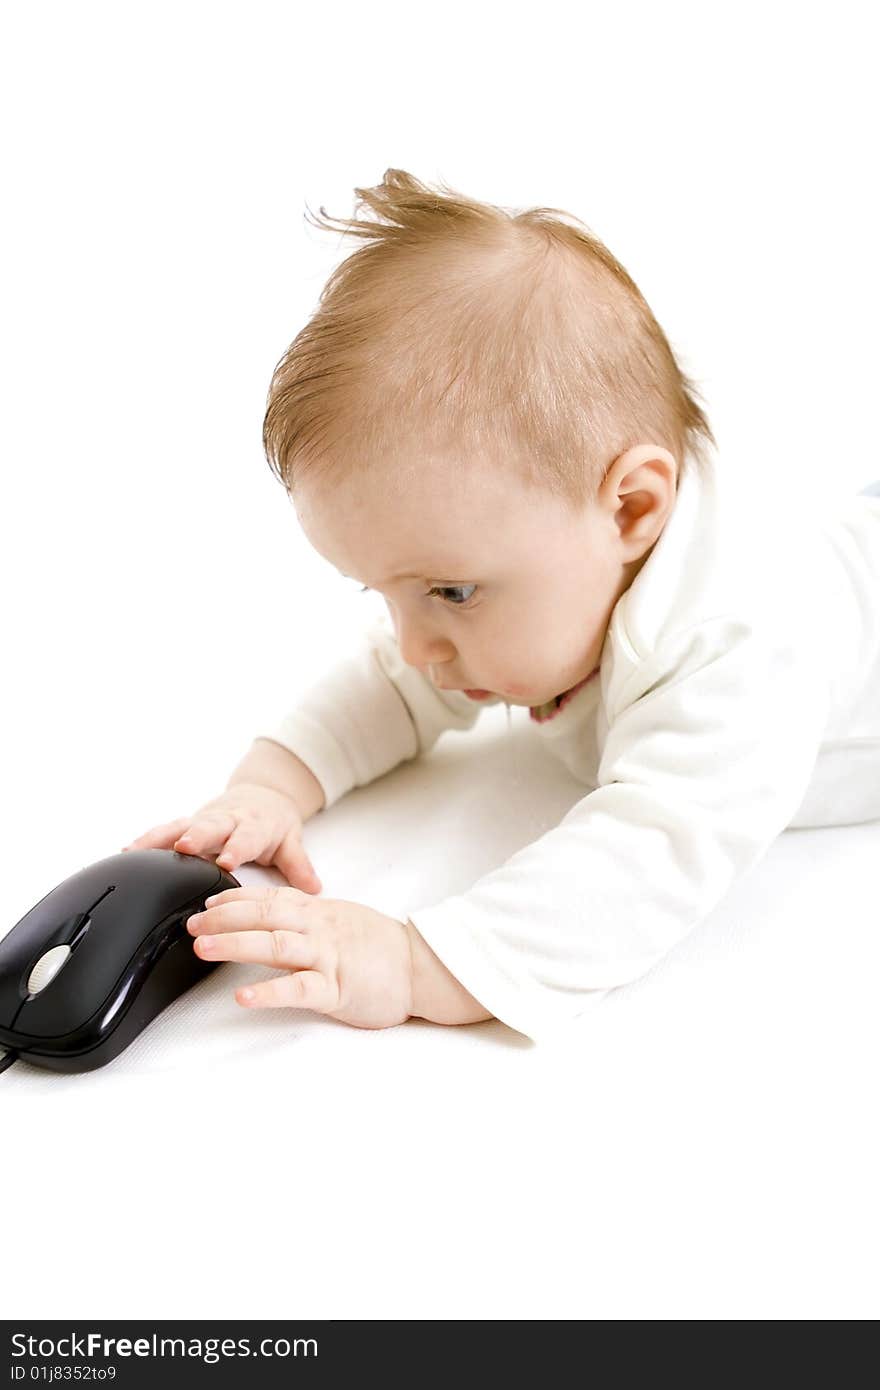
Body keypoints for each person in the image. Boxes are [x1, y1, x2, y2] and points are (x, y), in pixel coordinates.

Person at [123, 169, 880, 1042]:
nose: (416, 648)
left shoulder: (734, 645)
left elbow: (653, 851)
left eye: (449, 592)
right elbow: (390, 684)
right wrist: (267, 789)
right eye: (388, 594)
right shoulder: (546, 575)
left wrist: (421, 962)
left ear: (633, 508)